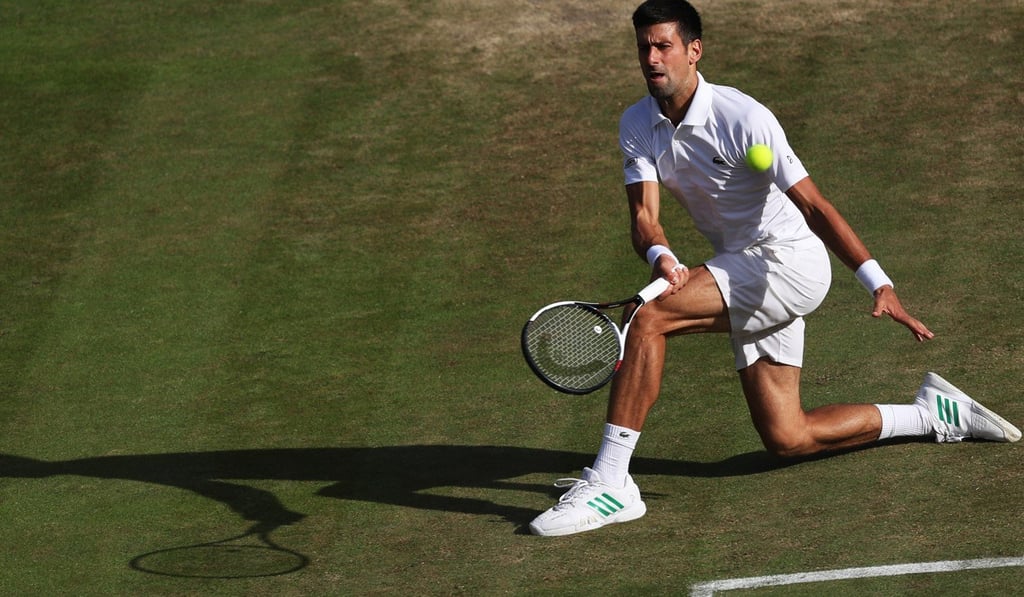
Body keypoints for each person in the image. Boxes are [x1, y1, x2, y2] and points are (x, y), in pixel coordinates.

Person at [529, 0, 1021, 537]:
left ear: (694, 51)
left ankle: (611, 482)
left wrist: (879, 282)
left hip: (788, 262)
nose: (651, 57)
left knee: (648, 316)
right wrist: (662, 257)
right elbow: (644, 217)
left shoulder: (744, 118)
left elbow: (815, 207)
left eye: (663, 45)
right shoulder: (637, 123)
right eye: (644, 46)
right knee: (789, 438)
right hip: (740, 265)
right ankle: (931, 414)